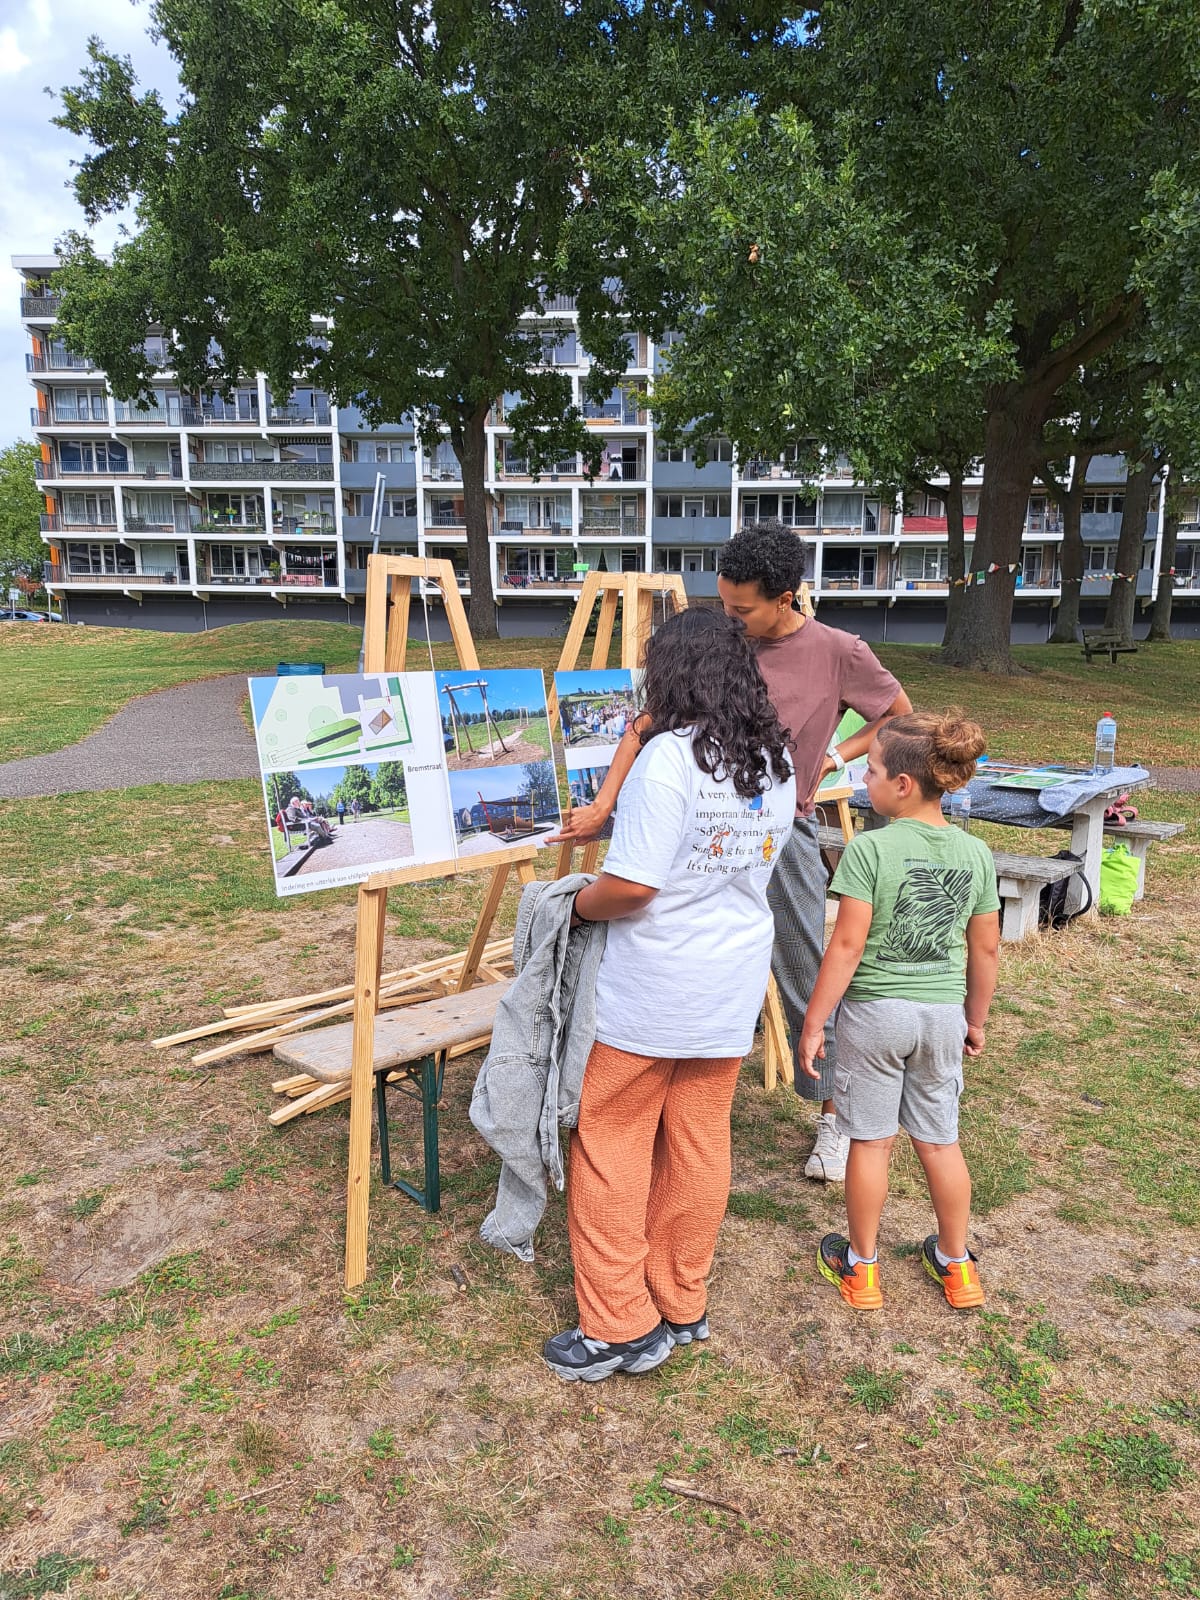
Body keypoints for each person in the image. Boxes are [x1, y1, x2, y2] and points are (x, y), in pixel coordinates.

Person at [551, 520, 912, 1185]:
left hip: (778, 827)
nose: (729, 617)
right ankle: (646, 1089)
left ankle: (833, 1114)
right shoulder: (723, 641)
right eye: (722, 602)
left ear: (787, 597)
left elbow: (897, 714)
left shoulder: (838, 650)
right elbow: (644, 723)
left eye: (742, 607)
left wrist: (833, 755)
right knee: (659, 949)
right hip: (688, 821)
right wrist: (603, 807)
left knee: (807, 967)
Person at [543, 609, 796, 1382]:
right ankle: (681, 1300)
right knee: (698, 1141)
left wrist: (572, 907)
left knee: (611, 1142)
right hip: (728, 987)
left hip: (653, 989)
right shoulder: (774, 756)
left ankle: (618, 1324)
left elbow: (633, 888)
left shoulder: (667, 760)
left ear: (670, 674)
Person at [798, 712, 1001, 1312]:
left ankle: (862, 1269)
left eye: (874, 771)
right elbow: (984, 946)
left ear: (905, 785)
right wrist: (976, 1019)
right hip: (941, 1016)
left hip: (874, 1016)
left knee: (871, 1141)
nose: (866, 779)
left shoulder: (870, 850)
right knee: (941, 1143)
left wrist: (815, 1021)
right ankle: (957, 1266)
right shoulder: (976, 854)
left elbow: (846, 945)